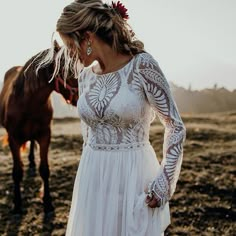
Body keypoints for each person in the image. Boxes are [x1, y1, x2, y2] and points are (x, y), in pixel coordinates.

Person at [47, 0, 186, 235]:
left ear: (87, 37)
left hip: (133, 175)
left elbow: (174, 125)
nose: (70, 54)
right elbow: (88, 134)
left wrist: (165, 180)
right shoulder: (85, 77)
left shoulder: (143, 66)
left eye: (70, 45)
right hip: (93, 176)